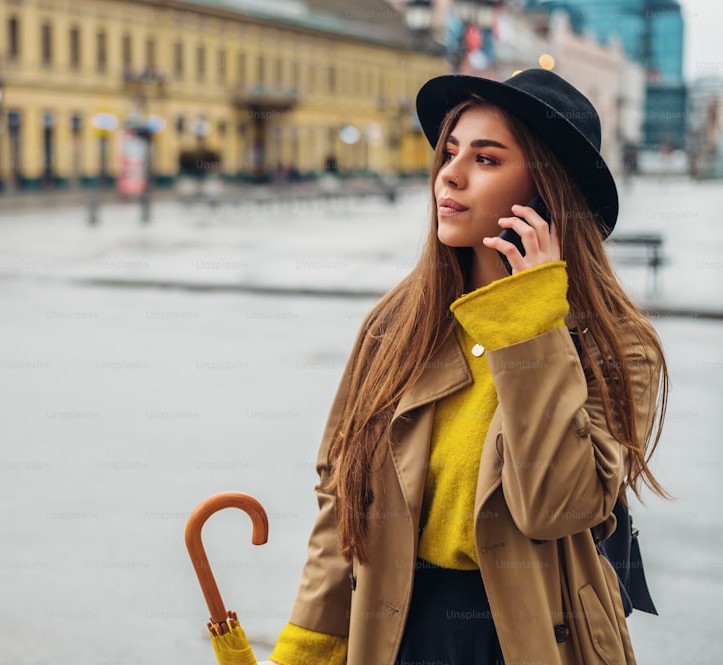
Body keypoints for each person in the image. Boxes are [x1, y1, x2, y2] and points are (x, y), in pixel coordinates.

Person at [262, 69, 669, 665]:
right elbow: (340, 500)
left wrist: (528, 324)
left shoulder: (617, 345)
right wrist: (307, 645)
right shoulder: (398, 322)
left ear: (545, 190)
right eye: (449, 152)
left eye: (486, 158)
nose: (448, 174)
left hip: (531, 638)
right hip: (392, 631)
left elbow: (555, 504)